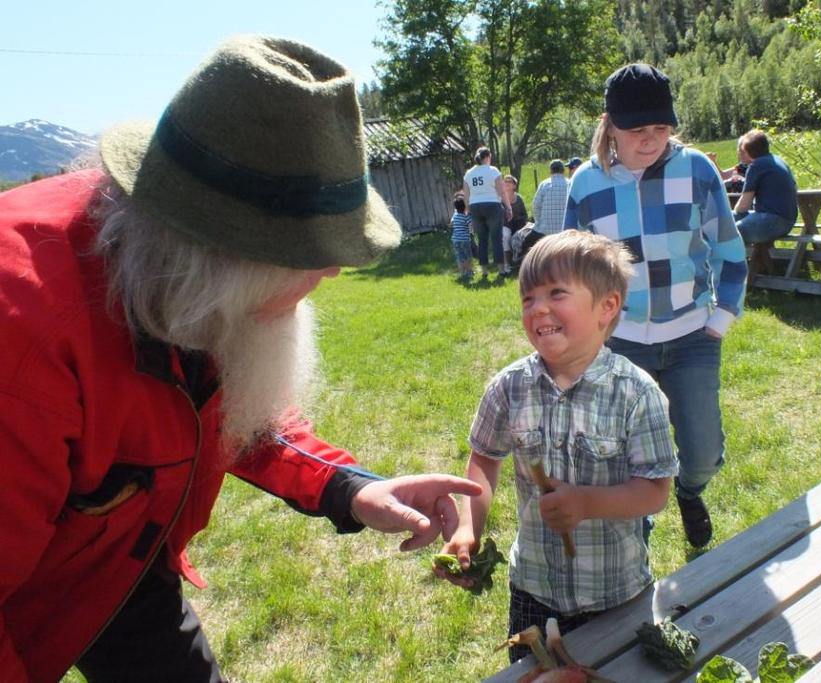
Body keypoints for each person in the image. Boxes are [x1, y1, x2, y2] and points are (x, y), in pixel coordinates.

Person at [0, 36, 483, 682]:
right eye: (313, 248)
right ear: (229, 256)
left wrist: (354, 489)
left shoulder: (177, 263)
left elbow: (235, 414)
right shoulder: (24, 344)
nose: (335, 268)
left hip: (120, 563)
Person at [435, 230, 677, 662]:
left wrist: (587, 502)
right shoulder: (509, 388)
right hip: (534, 588)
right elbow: (485, 460)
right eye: (528, 298)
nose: (538, 307)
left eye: (556, 293)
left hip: (614, 591)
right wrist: (467, 528)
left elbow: (655, 491)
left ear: (607, 307)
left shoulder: (637, 394)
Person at [564, 63, 747, 548]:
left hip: (692, 337)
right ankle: (637, 529)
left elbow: (729, 251)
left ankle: (689, 491)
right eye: (638, 130)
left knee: (703, 450)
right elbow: (571, 272)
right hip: (621, 343)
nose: (651, 140)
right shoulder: (585, 185)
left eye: (661, 128)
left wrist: (721, 316)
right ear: (610, 126)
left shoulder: (697, 170)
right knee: (625, 454)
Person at [732, 129, 798, 245]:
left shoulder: (756, 166)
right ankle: (756, 262)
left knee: (727, 233)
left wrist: (729, 217)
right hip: (789, 222)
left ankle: (731, 263)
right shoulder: (778, 160)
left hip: (772, 222)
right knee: (730, 222)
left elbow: (743, 206)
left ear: (747, 151)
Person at [463, 147, 513, 277]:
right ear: (487, 157)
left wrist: (468, 209)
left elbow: (466, 194)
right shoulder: (493, 171)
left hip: (475, 207)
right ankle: (501, 270)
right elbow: (501, 191)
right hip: (492, 205)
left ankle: (484, 270)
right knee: (497, 239)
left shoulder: (469, 173)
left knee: (482, 239)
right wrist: (508, 207)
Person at [522, 159, 570, 258]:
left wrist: (539, 222)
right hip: (566, 229)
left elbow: (535, 205)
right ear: (563, 170)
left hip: (545, 230)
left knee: (525, 244)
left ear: (551, 171)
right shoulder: (570, 184)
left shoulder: (544, 184)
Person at [502, 174, 528, 273]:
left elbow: (524, 214)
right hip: (506, 224)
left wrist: (524, 224)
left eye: (510, 181)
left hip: (519, 224)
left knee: (523, 236)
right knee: (505, 236)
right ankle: (507, 264)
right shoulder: (500, 198)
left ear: (514, 186)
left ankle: (521, 262)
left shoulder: (519, 198)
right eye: (505, 181)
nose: (507, 183)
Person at [451, 195, 474, 280]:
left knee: (460, 256)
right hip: (465, 240)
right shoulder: (466, 217)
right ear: (465, 207)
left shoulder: (455, 217)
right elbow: (471, 226)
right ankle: (469, 272)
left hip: (455, 239)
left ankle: (462, 273)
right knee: (468, 256)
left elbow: (452, 224)